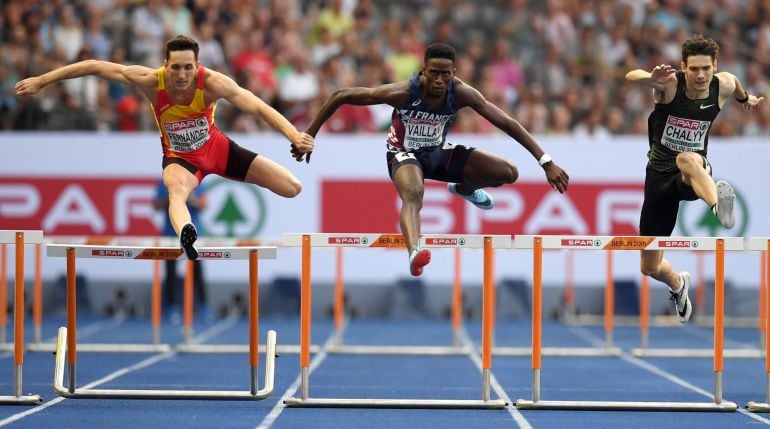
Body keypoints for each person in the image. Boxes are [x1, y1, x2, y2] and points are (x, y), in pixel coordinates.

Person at [16, 34, 314, 259]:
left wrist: (294, 135)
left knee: (292, 187)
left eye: (187, 68)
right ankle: (187, 234)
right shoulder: (148, 80)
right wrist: (42, 80)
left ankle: (187, 228)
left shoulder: (213, 83)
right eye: (175, 68)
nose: (181, 75)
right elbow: (94, 66)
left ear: (198, 66)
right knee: (176, 191)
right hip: (180, 159)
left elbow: (259, 108)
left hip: (218, 149)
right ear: (164, 65)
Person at [298, 42, 569, 276]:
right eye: (434, 74)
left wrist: (545, 161)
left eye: (446, 75)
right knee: (414, 194)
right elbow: (340, 95)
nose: (439, 81)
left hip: (438, 153)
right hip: (403, 154)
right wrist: (308, 136)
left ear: (454, 74)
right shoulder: (403, 93)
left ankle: (464, 188)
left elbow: (508, 123)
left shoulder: (462, 93)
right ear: (424, 71)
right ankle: (415, 251)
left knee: (508, 172)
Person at [625, 34, 764, 323]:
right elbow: (631, 75)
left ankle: (718, 208)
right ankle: (678, 284)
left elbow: (736, 84)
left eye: (706, 68)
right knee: (649, 267)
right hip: (659, 180)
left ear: (715, 66)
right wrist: (650, 77)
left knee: (686, 158)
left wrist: (745, 98)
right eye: (694, 69)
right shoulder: (670, 84)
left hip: (694, 172)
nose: (701, 75)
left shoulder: (722, 83)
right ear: (683, 68)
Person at [155, 178, 207, 320]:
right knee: (170, 273)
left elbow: (204, 205)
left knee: (198, 272)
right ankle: (171, 307)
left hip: (194, 234)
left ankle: (204, 306)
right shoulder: (165, 181)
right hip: (170, 234)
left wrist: (191, 198)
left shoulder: (197, 180)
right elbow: (156, 205)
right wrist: (173, 197)